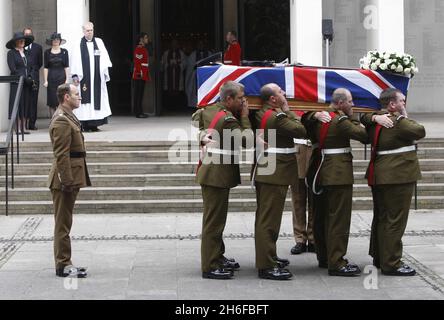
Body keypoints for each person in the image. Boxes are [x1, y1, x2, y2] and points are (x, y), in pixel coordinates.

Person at [302, 88, 367, 277]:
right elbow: (364, 137)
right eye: (350, 102)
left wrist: (313, 114)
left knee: (320, 217)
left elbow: (304, 120)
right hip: (337, 174)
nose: (352, 105)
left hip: (317, 171)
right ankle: (337, 262)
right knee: (338, 219)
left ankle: (324, 257)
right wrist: (354, 117)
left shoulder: (315, 119)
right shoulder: (341, 121)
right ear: (339, 103)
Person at [361, 88, 426, 276]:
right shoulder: (399, 123)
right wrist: (404, 115)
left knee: (382, 218)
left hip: (381, 175)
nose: (404, 104)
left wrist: (373, 117)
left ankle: (380, 257)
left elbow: (363, 118)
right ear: (392, 104)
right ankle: (392, 262)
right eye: (402, 101)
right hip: (397, 177)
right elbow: (420, 130)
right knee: (395, 220)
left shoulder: (376, 121)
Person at [192, 81, 252, 280]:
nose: (244, 102)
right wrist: (245, 118)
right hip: (216, 174)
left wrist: (202, 136)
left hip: (211, 171)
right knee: (214, 222)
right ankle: (209, 265)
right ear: (228, 99)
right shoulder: (229, 119)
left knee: (216, 219)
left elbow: (197, 121)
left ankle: (217, 255)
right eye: (240, 98)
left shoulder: (208, 110)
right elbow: (247, 140)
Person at [252, 83, 307, 280]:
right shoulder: (277, 117)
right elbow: (301, 130)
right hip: (274, 172)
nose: (285, 93)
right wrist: (288, 111)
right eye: (281, 92)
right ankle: (266, 265)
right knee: (269, 221)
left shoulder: (262, 113)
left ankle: (269, 257)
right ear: (273, 99)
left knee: (266, 219)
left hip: (270, 170)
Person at [48, 83, 91, 278]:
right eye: (76, 94)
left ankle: (64, 262)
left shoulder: (68, 115)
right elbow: (61, 154)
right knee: (63, 223)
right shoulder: (62, 120)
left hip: (71, 176)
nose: (79, 97)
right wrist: (67, 181)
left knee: (65, 221)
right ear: (66, 97)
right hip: (65, 179)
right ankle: (63, 265)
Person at [70, 21, 112, 132]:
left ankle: (95, 124)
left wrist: (104, 72)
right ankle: (84, 124)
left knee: (96, 100)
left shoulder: (99, 42)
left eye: (91, 30)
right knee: (84, 100)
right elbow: (74, 60)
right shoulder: (78, 43)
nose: (89, 32)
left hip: (97, 78)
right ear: (83, 31)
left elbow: (105, 58)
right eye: (87, 30)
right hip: (84, 78)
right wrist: (74, 75)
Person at [289, 112, 316, 255]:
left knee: (314, 200)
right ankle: (300, 239)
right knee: (298, 199)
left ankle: (313, 238)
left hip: (314, 150)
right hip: (297, 151)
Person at [6, 31, 33, 134]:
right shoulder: (11, 53)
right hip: (17, 82)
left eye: (23, 40)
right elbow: (13, 68)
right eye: (20, 40)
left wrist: (30, 77)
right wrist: (24, 77)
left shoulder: (27, 53)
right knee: (17, 103)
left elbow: (30, 66)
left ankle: (23, 128)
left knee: (25, 104)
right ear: (15, 42)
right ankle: (17, 128)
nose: (22, 41)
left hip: (27, 83)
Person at [43, 32, 69, 119]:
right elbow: (46, 67)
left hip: (61, 78)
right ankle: (53, 120)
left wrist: (67, 79)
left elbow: (66, 66)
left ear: (60, 41)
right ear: (51, 41)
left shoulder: (65, 52)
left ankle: (62, 120)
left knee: (62, 100)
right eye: (54, 40)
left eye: (58, 40)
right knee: (51, 100)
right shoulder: (47, 52)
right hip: (51, 79)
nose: (56, 41)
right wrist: (45, 80)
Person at [23, 27, 43, 131]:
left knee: (33, 101)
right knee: (25, 100)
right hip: (24, 77)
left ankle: (32, 123)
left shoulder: (38, 47)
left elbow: (40, 63)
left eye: (29, 34)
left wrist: (33, 72)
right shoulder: (21, 47)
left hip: (34, 77)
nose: (28, 36)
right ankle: (24, 124)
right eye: (26, 34)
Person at [184, 40, 212, 108]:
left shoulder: (209, 53)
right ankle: (195, 105)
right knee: (195, 90)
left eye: (202, 44)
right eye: (199, 44)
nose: (201, 46)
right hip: (196, 75)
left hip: (207, 75)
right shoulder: (193, 54)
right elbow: (190, 65)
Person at [161, 39, 186, 109]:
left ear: (177, 45)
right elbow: (162, 64)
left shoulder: (181, 53)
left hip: (178, 76)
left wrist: (178, 65)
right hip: (169, 75)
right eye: (173, 44)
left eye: (175, 44)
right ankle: (169, 107)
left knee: (178, 92)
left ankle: (178, 107)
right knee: (168, 92)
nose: (174, 45)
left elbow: (185, 63)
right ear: (171, 44)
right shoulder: (166, 53)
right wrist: (169, 65)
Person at [132, 32, 150, 118]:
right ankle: (138, 112)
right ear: (141, 39)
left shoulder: (143, 48)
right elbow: (138, 63)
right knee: (138, 94)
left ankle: (139, 111)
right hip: (139, 74)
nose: (147, 39)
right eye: (145, 38)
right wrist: (139, 73)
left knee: (140, 93)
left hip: (143, 73)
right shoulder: (139, 49)